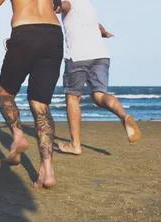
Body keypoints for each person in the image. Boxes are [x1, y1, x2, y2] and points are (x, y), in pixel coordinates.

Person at [0, 0, 64, 189]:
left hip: (25, 32)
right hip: (53, 35)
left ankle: (18, 136)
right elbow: (58, 7)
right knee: (40, 105)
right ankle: (48, 171)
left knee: (5, 94)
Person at [56, 0, 141, 155]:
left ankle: (75, 144)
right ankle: (124, 116)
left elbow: (66, 5)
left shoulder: (68, 2)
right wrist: (105, 33)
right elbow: (98, 26)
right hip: (100, 55)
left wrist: (58, 5)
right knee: (100, 95)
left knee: (73, 97)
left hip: (78, 55)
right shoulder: (87, 4)